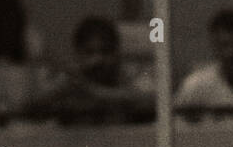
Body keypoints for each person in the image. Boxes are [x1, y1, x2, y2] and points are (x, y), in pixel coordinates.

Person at [25, 16, 154, 125]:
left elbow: (149, 100)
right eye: (89, 52)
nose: (98, 59)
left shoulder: (129, 75)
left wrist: (91, 90)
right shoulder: (69, 80)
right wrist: (64, 88)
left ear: (117, 52)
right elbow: (28, 107)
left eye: (105, 51)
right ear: (77, 53)